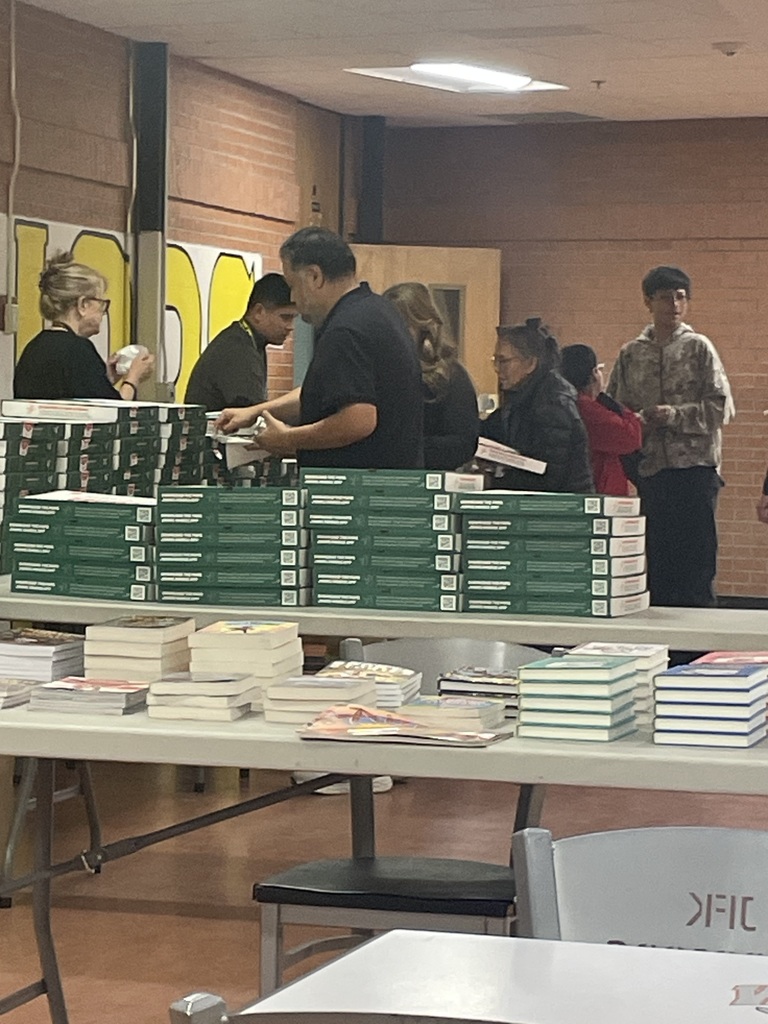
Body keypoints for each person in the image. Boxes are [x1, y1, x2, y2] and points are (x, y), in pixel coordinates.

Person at [215, 227, 424, 469]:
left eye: (293, 285)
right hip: (392, 479)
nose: (293, 297)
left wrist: (288, 439)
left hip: (358, 490)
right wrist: (255, 411)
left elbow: (358, 419)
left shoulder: (345, 330)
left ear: (315, 276)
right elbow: (328, 394)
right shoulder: (377, 311)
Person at [607, 265, 734, 607]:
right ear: (648, 301)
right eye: (665, 297)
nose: (674, 305)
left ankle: (700, 647)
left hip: (695, 470)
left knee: (697, 564)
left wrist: (676, 415)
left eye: (681, 297)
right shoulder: (631, 354)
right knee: (658, 564)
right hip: (652, 472)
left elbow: (721, 409)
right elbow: (615, 414)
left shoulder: (698, 348)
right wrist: (642, 420)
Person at [13, 251, 154, 401]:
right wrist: (132, 379)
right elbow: (111, 413)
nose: (103, 312)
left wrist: (106, 378)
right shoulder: (78, 350)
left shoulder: (34, 347)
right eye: (101, 303)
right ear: (82, 305)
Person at [481, 317, 593, 493]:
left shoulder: (553, 404)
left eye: (504, 361)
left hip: (561, 511)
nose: (497, 368)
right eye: (495, 360)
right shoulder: (519, 401)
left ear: (530, 364)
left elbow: (549, 476)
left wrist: (493, 481)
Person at [383, 281, 478, 470]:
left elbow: (463, 443)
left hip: (431, 480)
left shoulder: (451, 375)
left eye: (403, 325)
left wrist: (407, 449)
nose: (393, 333)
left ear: (422, 327)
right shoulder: (376, 370)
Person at [184, 273, 296, 412]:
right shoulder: (237, 351)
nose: (290, 326)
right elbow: (252, 415)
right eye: (285, 317)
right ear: (258, 312)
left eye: (293, 318)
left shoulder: (245, 341)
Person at [560, 343, 642, 496]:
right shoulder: (586, 408)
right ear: (593, 374)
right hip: (598, 494)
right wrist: (611, 402)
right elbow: (631, 437)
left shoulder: (566, 402)